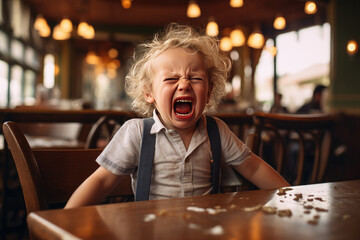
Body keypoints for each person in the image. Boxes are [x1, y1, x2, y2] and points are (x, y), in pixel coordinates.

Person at [65, 23, 289, 208]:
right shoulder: (137, 133)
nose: (184, 84)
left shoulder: (217, 131)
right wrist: (67, 217)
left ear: (209, 92)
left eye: (196, 78)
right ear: (149, 92)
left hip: (207, 229)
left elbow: (254, 167)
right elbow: (102, 181)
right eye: (171, 79)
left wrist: (289, 197)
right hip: (151, 229)